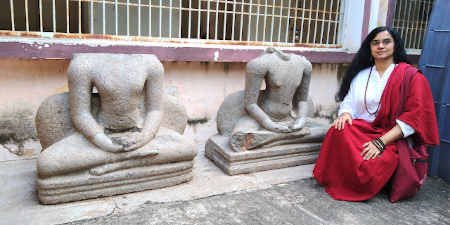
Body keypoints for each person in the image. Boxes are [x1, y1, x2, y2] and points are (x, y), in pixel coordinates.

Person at [313, 27, 439, 201]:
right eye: (375, 42)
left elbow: (414, 117)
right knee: (337, 131)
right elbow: (349, 102)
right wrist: (345, 114)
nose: (380, 46)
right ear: (370, 48)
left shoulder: (410, 76)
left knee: (375, 163)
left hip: (392, 136)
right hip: (363, 130)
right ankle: (342, 179)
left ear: (395, 46)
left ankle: (365, 182)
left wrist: (381, 142)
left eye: (386, 41)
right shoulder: (362, 76)